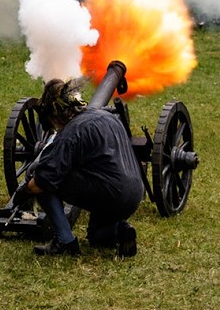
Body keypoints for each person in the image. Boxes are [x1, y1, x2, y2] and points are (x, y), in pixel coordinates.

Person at [10, 77, 142, 257]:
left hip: (109, 193)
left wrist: (23, 192)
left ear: (55, 115)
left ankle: (64, 240)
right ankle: (121, 231)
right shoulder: (108, 117)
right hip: (133, 195)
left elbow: (44, 180)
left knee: (40, 174)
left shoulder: (71, 133)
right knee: (96, 236)